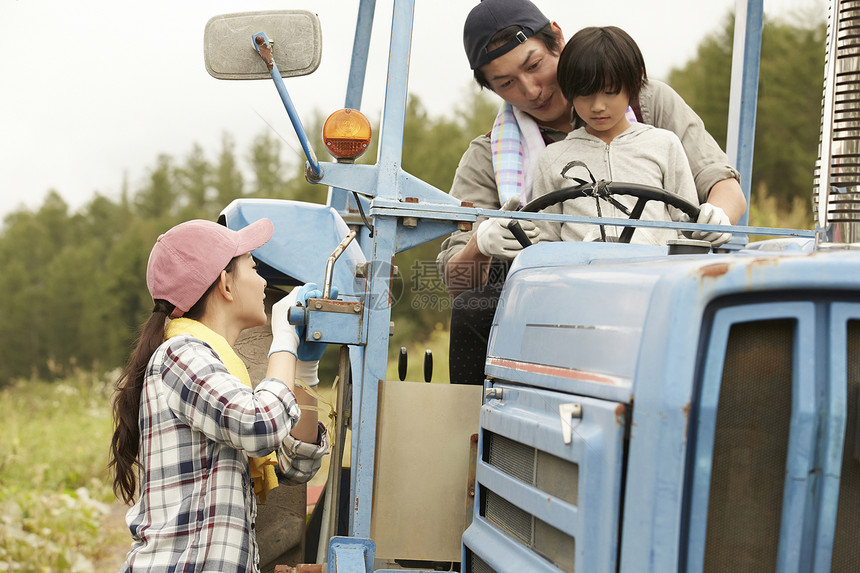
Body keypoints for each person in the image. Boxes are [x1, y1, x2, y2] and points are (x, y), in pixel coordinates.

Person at [440, 0, 746, 385]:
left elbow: (723, 186)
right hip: (561, 298)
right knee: (473, 309)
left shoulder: (649, 106)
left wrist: (715, 216)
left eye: (534, 66)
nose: (532, 89)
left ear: (558, 40)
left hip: (657, 279)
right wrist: (481, 244)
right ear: (491, 88)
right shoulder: (489, 157)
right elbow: (456, 279)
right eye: (506, 83)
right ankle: (480, 439)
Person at [109, 218, 329, 572]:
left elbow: (296, 465)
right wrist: (283, 339)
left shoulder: (219, 369)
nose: (263, 283)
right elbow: (259, 425)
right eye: (255, 269)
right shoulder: (179, 355)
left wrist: (304, 370)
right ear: (226, 283)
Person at [531, 26, 700, 245]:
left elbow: (686, 228)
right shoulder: (552, 157)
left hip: (654, 271)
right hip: (577, 274)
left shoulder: (664, 144)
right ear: (568, 90)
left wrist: (708, 227)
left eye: (610, 91)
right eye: (585, 94)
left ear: (635, 81)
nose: (598, 106)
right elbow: (544, 239)